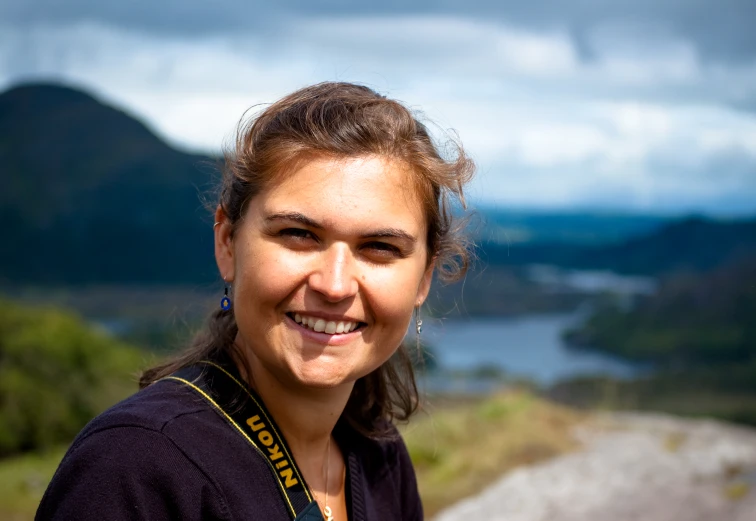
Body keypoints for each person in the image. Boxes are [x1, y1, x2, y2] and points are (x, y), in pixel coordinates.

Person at [36, 82, 474, 521]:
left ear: (424, 279)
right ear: (228, 243)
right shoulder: (137, 467)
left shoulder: (378, 457)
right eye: (298, 235)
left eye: (380, 246)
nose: (335, 285)